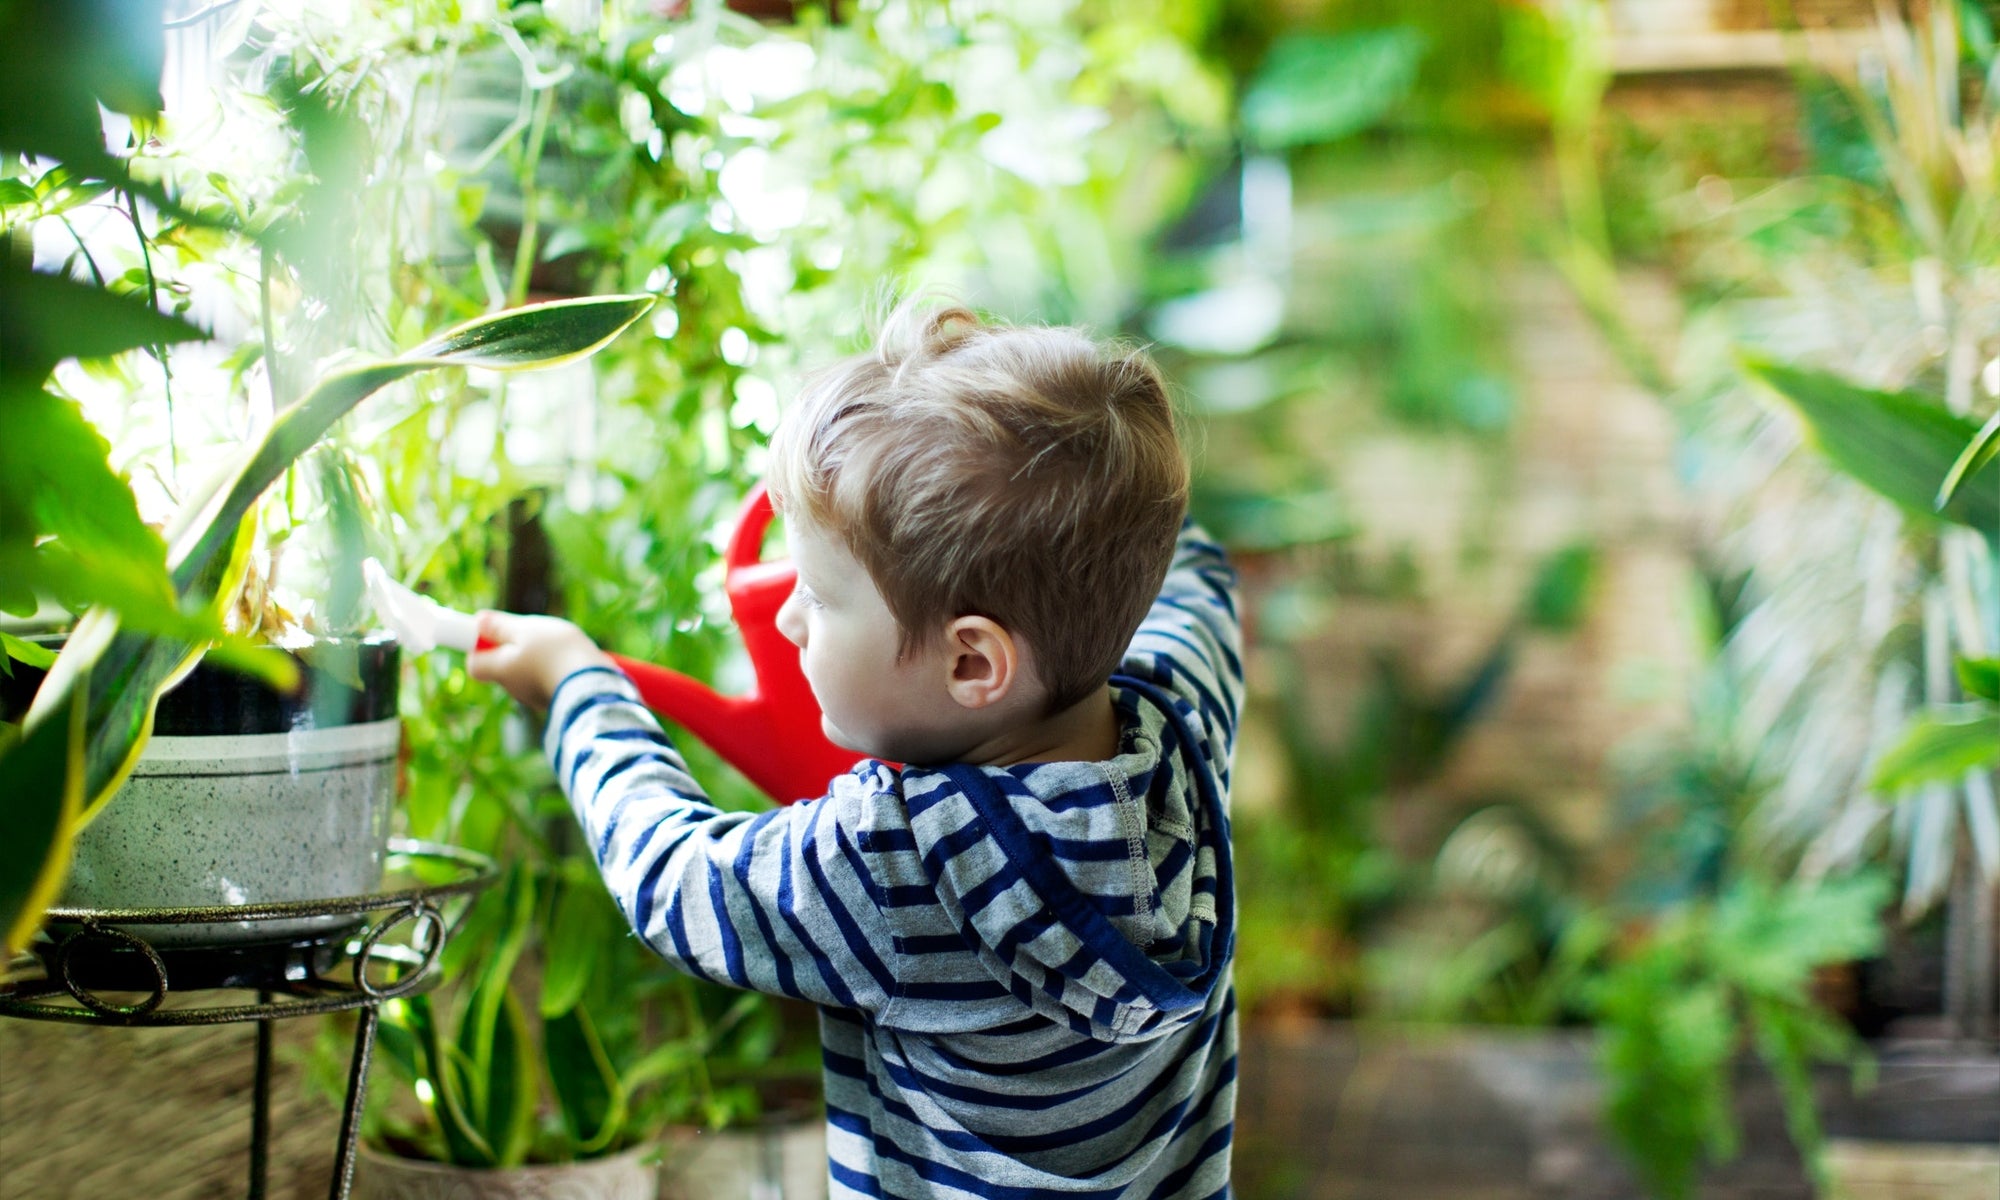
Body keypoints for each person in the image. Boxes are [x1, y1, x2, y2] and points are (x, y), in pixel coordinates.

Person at [470, 299, 1243, 1200]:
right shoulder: (1186, 722)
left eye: (824, 596)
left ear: (971, 660)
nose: (790, 614)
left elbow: (672, 878)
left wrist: (577, 685)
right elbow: (1197, 581)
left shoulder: (898, 866)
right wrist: (1102, 512)